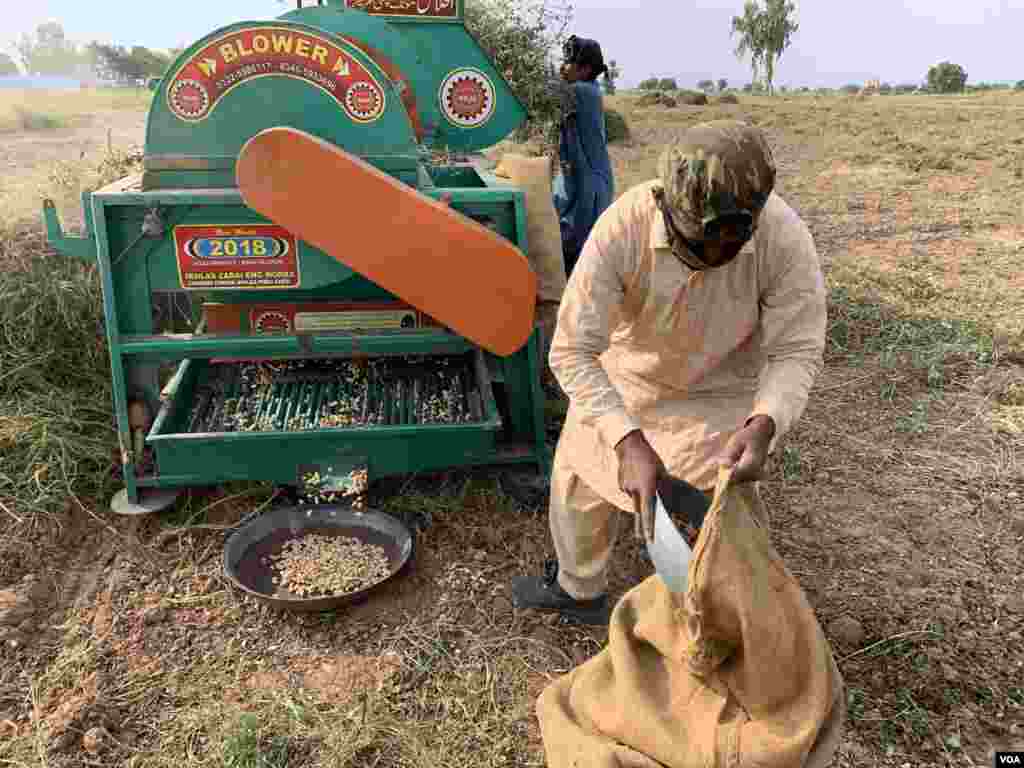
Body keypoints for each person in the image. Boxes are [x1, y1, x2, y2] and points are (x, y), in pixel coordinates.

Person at [511, 120, 828, 624]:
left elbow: (797, 349)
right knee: (580, 480)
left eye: (732, 241)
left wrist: (764, 422)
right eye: (701, 242)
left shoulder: (782, 238)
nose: (716, 256)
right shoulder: (623, 227)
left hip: (722, 392)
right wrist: (626, 440)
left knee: (730, 510)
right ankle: (579, 589)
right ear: (666, 205)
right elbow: (572, 350)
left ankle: (726, 609)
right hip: (627, 379)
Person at [553, 35, 615, 278]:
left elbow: (548, 90)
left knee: (579, 251)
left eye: (568, 63)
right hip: (576, 174)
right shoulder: (582, 90)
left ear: (585, 69)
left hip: (590, 182)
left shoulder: (583, 92)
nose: (562, 67)